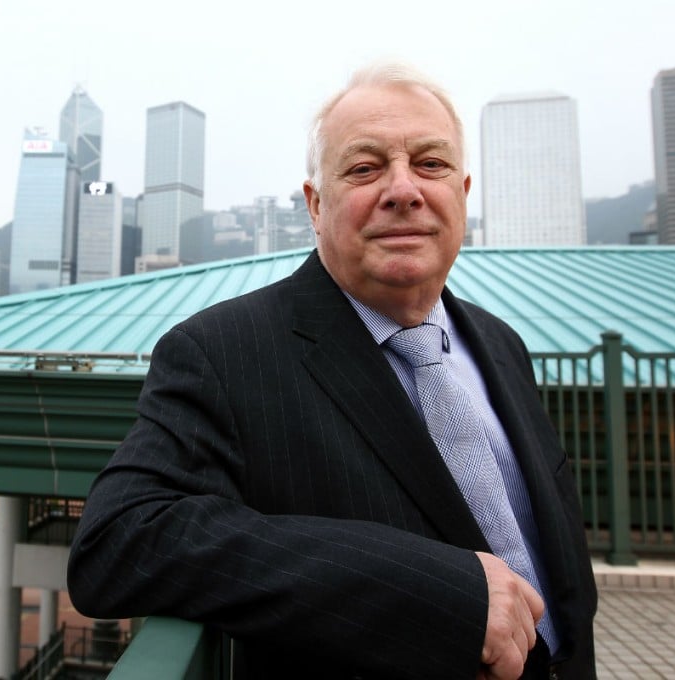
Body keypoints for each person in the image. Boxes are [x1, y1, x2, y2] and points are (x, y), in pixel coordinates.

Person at [68, 62, 597, 680]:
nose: (405, 190)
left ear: (464, 192)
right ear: (315, 205)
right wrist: (427, 589)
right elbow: (120, 541)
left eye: (431, 164)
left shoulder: (502, 345)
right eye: (365, 168)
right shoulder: (222, 353)